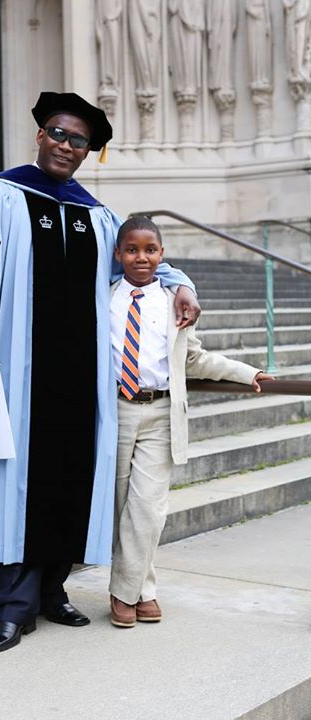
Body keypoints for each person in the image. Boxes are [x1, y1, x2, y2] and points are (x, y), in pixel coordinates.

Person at [0, 92, 200, 653]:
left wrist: (182, 283)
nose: (66, 145)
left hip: (84, 376)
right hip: (18, 371)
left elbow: (141, 261)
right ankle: (12, 608)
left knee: (72, 478)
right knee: (17, 483)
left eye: (79, 140)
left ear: (89, 151)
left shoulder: (99, 215)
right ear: (40, 135)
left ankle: (52, 592)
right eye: (58, 133)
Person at [108, 216, 273, 628]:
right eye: (132, 250)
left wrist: (246, 373)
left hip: (161, 413)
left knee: (147, 509)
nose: (141, 258)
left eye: (150, 250)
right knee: (120, 506)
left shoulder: (174, 302)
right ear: (117, 254)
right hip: (115, 412)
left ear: (162, 255)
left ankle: (122, 593)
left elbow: (195, 359)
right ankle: (143, 589)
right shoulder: (103, 298)